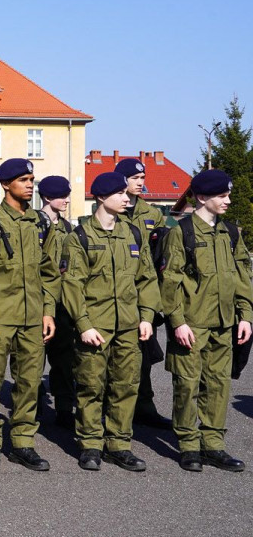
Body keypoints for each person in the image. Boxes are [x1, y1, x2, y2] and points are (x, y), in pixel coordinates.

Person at [59, 171, 157, 472]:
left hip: (128, 325)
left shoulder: (133, 233)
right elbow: (72, 285)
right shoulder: (80, 237)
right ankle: (90, 443)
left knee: (126, 385)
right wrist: (84, 324)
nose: (127, 197)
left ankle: (119, 445)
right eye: (120, 194)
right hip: (95, 327)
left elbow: (147, 278)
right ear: (102, 197)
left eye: (126, 194)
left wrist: (147, 317)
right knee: (91, 386)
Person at [0, 158, 56, 472]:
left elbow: (50, 272)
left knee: (29, 383)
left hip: (33, 319)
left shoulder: (41, 223)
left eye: (32, 179)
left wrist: (48, 311)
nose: (30, 184)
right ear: (5, 185)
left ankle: (22, 443)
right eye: (23, 180)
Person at [159, 169, 253, 472]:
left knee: (218, 386)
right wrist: (177, 322)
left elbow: (242, 276)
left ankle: (213, 445)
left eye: (228, 195)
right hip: (192, 323)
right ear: (202, 197)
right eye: (221, 195)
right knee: (187, 385)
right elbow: (170, 280)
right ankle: (188, 445)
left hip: (224, 324)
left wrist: (246, 315)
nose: (227, 200)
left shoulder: (231, 232)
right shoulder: (181, 231)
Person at [115, 157, 173, 429]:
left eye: (142, 178)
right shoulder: (112, 209)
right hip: (116, 290)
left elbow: (164, 253)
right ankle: (111, 406)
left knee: (144, 353)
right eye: (135, 178)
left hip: (144, 290)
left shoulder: (153, 213)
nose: (141, 183)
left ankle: (144, 406)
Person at [36, 174, 77, 429]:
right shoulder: (33, 224)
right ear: (47, 197)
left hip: (61, 302)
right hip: (36, 300)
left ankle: (64, 407)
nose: (67, 200)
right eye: (62, 196)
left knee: (64, 360)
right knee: (33, 359)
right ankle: (33, 407)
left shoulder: (68, 228)